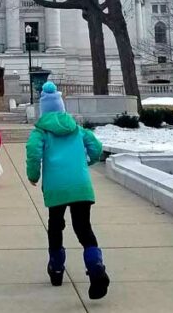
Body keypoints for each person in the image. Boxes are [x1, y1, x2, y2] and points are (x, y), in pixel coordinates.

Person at [26, 81, 109, 300]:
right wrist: (87, 163)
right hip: (81, 185)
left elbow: (33, 153)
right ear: (62, 107)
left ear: (43, 109)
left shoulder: (40, 131)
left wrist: (33, 176)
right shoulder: (76, 128)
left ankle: (56, 268)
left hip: (56, 188)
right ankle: (96, 267)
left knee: (56, 227)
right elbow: (97, 148)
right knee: (83, 228)